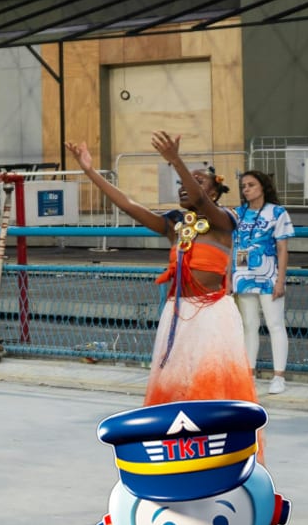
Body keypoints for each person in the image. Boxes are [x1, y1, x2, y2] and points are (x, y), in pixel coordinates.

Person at [68, 134, 254, 409]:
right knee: (177, 381)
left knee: (211, 381)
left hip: (212, 315)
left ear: (213, 192)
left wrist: (175, 160)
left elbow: (201, 202)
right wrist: (89, 171)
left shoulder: (225, 221)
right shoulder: (174, 224)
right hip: (177, 313)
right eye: (181, 183)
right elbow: (128, 204)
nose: (183, 187)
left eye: (196, 181)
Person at [233, 170, 293, 395]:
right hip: (243, 276)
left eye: (251, 185)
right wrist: (230, 278)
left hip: (269, 277)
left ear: (263, 187)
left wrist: (280, 280)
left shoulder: (277, 212)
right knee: (249, 326)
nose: (246, 189)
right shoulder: (238, 213)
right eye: (243, 186)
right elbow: (233, 246)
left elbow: (282, 248)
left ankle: (279, 377)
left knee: (275, 324)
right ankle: (249, 375)